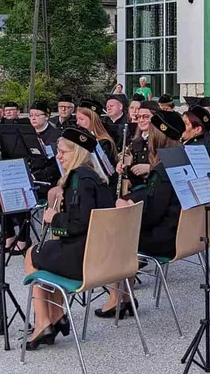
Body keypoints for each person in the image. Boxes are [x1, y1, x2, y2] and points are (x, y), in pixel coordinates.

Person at [22, 127, 116, 348]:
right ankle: (55, 315)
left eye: (63, 152)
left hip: (86, 260)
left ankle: (43, 322)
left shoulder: (79, 179)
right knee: (49, 252)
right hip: (104, 255)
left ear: (78, 153)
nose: (58, 156)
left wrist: (53, 217)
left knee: (32, 254)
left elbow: (79, 223)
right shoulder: (96, 176)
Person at [101, 109, 184, 317]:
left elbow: (151, 215)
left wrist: (129, 206)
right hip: (182, 232)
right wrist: (132, 199)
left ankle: (117, 298)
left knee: (115, 234)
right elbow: (155, 197)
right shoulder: (180, 159)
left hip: (166, 238)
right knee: (123, 217)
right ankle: (125, 297)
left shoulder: (162, 170)